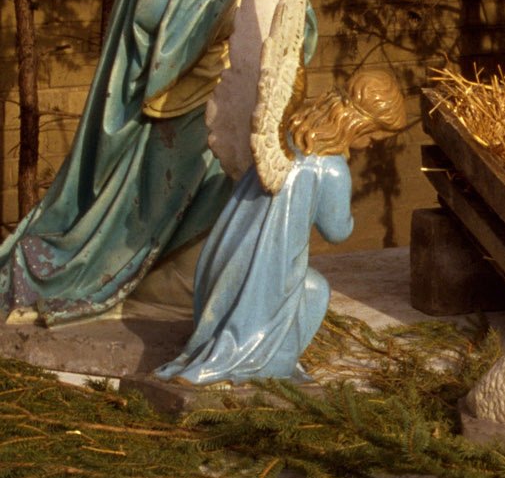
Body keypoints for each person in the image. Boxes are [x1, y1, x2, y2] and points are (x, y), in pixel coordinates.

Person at [0, 0, 368, 324]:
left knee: (220, 191)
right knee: (141, 203)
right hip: (175, 85)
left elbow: (292, 1)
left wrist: (292, 33)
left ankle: (166, 281)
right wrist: (230, 10)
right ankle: (92, 278)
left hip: (235, 95)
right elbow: (156, 2)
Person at [155, 68, 406, 386]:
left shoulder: (287, 138)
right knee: (315, 290)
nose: (370, 145)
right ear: (358, 124)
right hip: (265, 274)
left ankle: (257, 357)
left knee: (310, 284)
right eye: (372, 136)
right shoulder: (331, 169)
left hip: (226, 259)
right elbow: (337, 230)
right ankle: (269, 364)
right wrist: (348, 213)